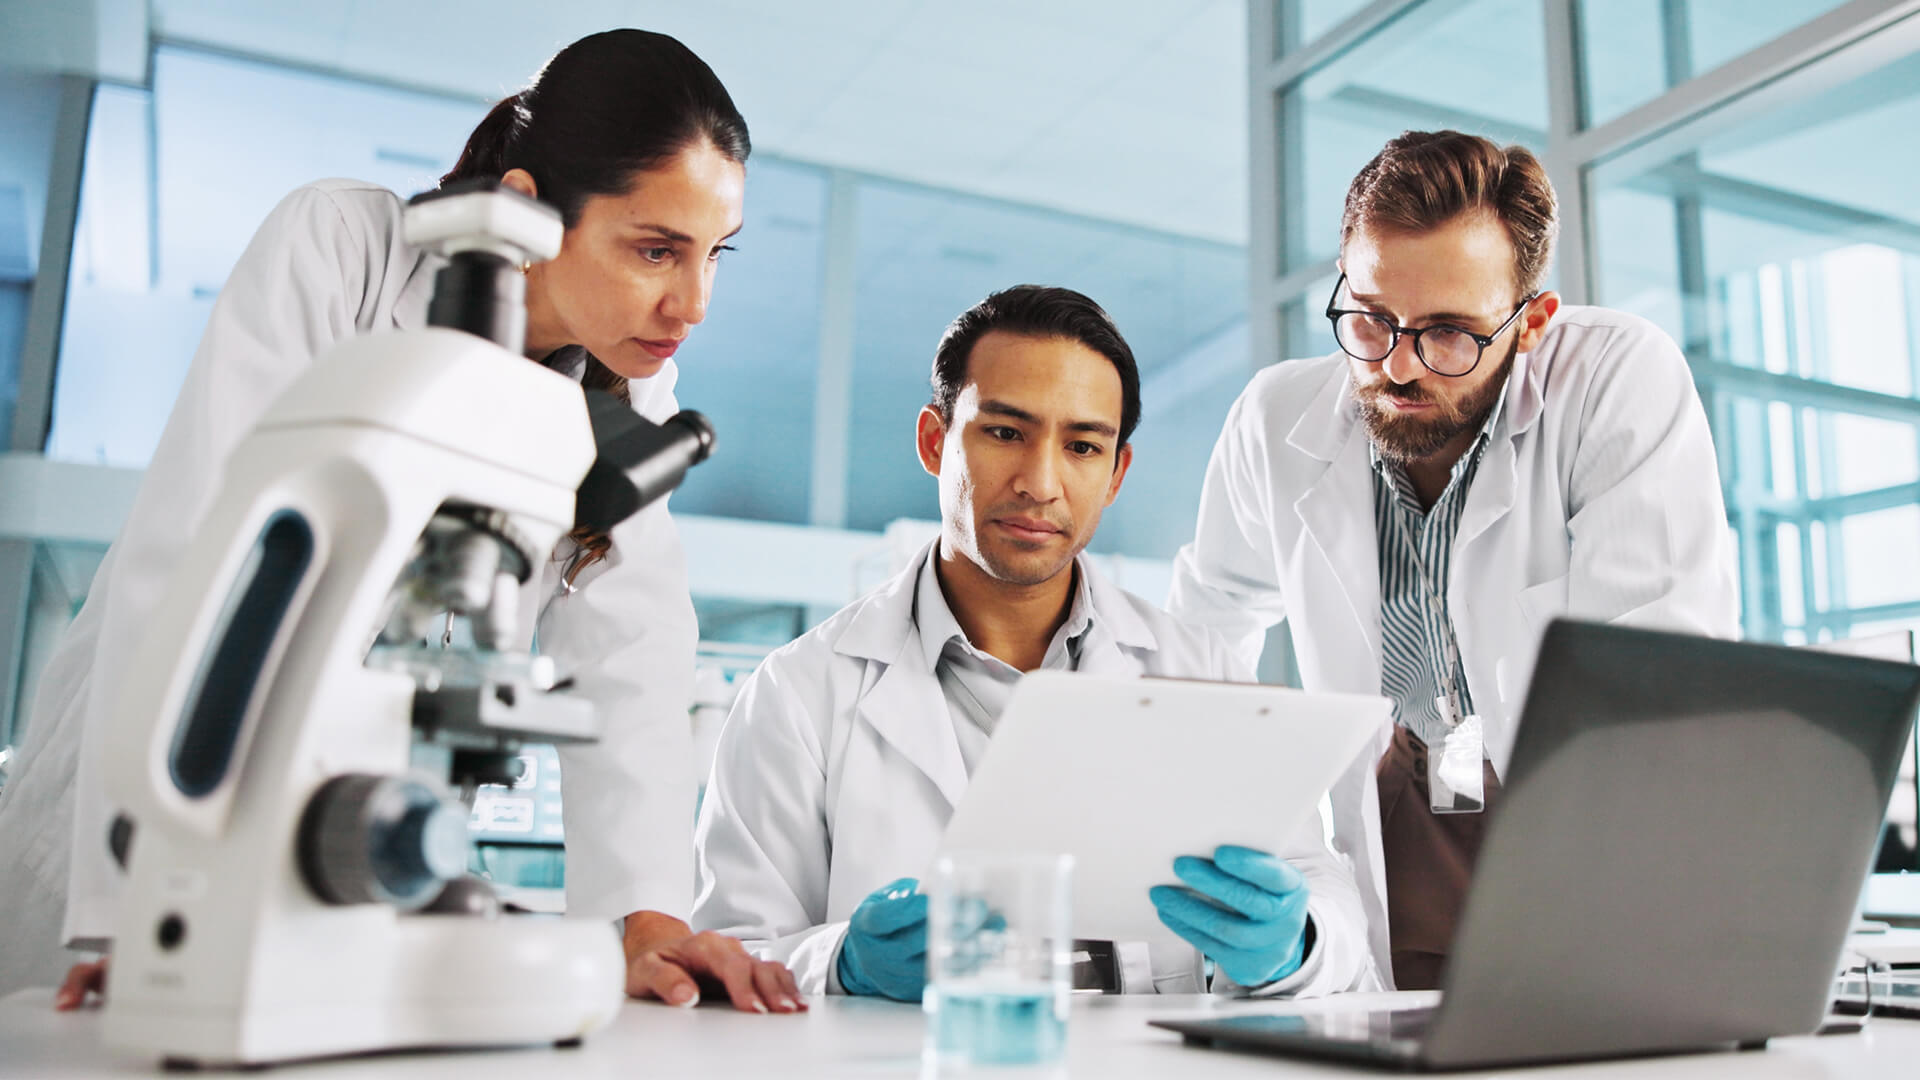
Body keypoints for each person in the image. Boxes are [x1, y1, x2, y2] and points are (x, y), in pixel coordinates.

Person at [0, 29, 802, 1014]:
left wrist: (647, 924)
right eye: (654, 249)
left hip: (353, 844)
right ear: (526, 211)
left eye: (714, 254)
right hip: (140, 815)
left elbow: (633, 656)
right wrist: (141, 910)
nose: (695, 301)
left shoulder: (629, 406)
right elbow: (194, 563)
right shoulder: (342, 253)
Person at [1167, 130, 1739, 990]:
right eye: (1370, 319)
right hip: (1412, 783)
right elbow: (1199, 644)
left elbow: (1652, 673)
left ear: (1533, 322)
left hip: (1574, 788)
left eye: (1447, 335)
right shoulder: (1275, 418)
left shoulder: (1617, 379)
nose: (1397, 365)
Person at [691, 285, 1376, 1001]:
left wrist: (1296, 944)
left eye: (1082, 446)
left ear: (1115, 475)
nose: (1040, 482)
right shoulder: (798, 693)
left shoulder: (1198, 669)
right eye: (1004, 433)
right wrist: (841, 965)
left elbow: (1319, 883)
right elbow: (735, 955)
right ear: (935, 442)